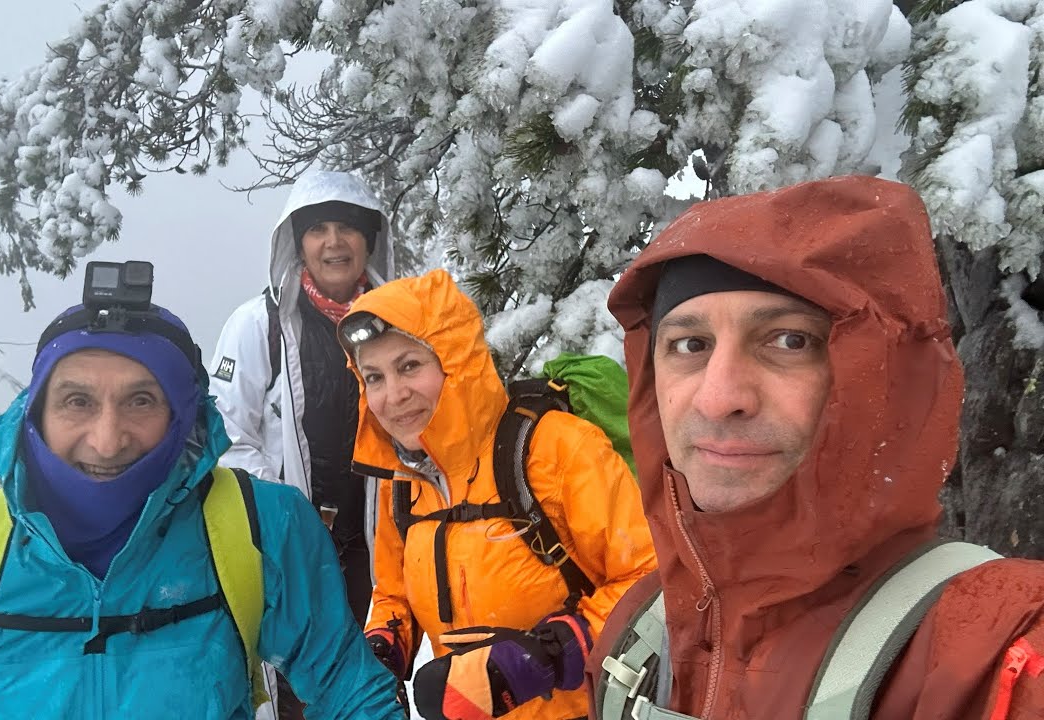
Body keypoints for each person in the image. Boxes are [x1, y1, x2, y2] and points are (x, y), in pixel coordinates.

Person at [585, 176, 1044, 719]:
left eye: (789, 340)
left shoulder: (993, 643)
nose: (719, 398)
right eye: (690, 345)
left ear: (884, 376)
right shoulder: (637, 634)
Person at [0, 268, 403, 720]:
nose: (107, 438)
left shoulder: (262, 527)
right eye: (77, 401)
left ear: (182, 417)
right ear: (35, 413)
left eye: (141, 401)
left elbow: (347, 688)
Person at [336, 269, 658, 720]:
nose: (394, 395)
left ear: (455, 362)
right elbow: (394, 593)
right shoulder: (404, 484)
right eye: (374, 377)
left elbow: (652, 580)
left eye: (410, 366)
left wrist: (542, 659)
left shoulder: (554, 449)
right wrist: (385, 644)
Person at [209, 171, 393, 717]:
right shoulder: (260, 323)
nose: (334, 243)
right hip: (296, 539)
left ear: (369, 239)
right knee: (299, 678)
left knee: (379, 664)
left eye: (347, 229)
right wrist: (288, 513)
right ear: (297, 241)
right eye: (318, 230)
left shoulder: (397, 318)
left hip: (377, 534)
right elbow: (227, 434)